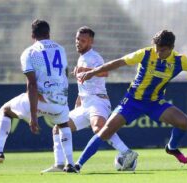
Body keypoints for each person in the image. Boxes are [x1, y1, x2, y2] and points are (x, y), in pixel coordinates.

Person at [75, 30, 187, 171]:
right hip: (132, 101)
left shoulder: (180, 61)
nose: (158, 53)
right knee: (105, 131)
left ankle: (171, 147)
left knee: (184, 122)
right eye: (157, 49)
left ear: (172, 48)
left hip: (154, 103)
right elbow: (119, 62)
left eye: (163, 50)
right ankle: (78, 165)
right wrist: (92, 72)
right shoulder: (145, 54)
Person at [0, 19, 78, 173]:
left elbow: (32, 84)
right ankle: (70, 164)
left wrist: (33, 116)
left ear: (32, 34)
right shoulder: (61, 49)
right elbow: (65, 75)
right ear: (48, 33)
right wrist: (63, 99)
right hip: (60, 100)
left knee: (5, 110)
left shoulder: (30, 52)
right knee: (63, 124)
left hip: (40, 99)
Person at [41, 26, 133, 173]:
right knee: (58, 128)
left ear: (91, 42)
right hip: (85, 105)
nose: (78, 42)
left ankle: (127, 153)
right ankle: (59, 164)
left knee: (98, 128)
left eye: (83, 40)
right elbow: (84, 85)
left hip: (98, 101)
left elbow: (104, 72)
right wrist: (78, 102)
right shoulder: (81, 58)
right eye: (77, 39)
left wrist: (85, 70)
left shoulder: (94, 57)